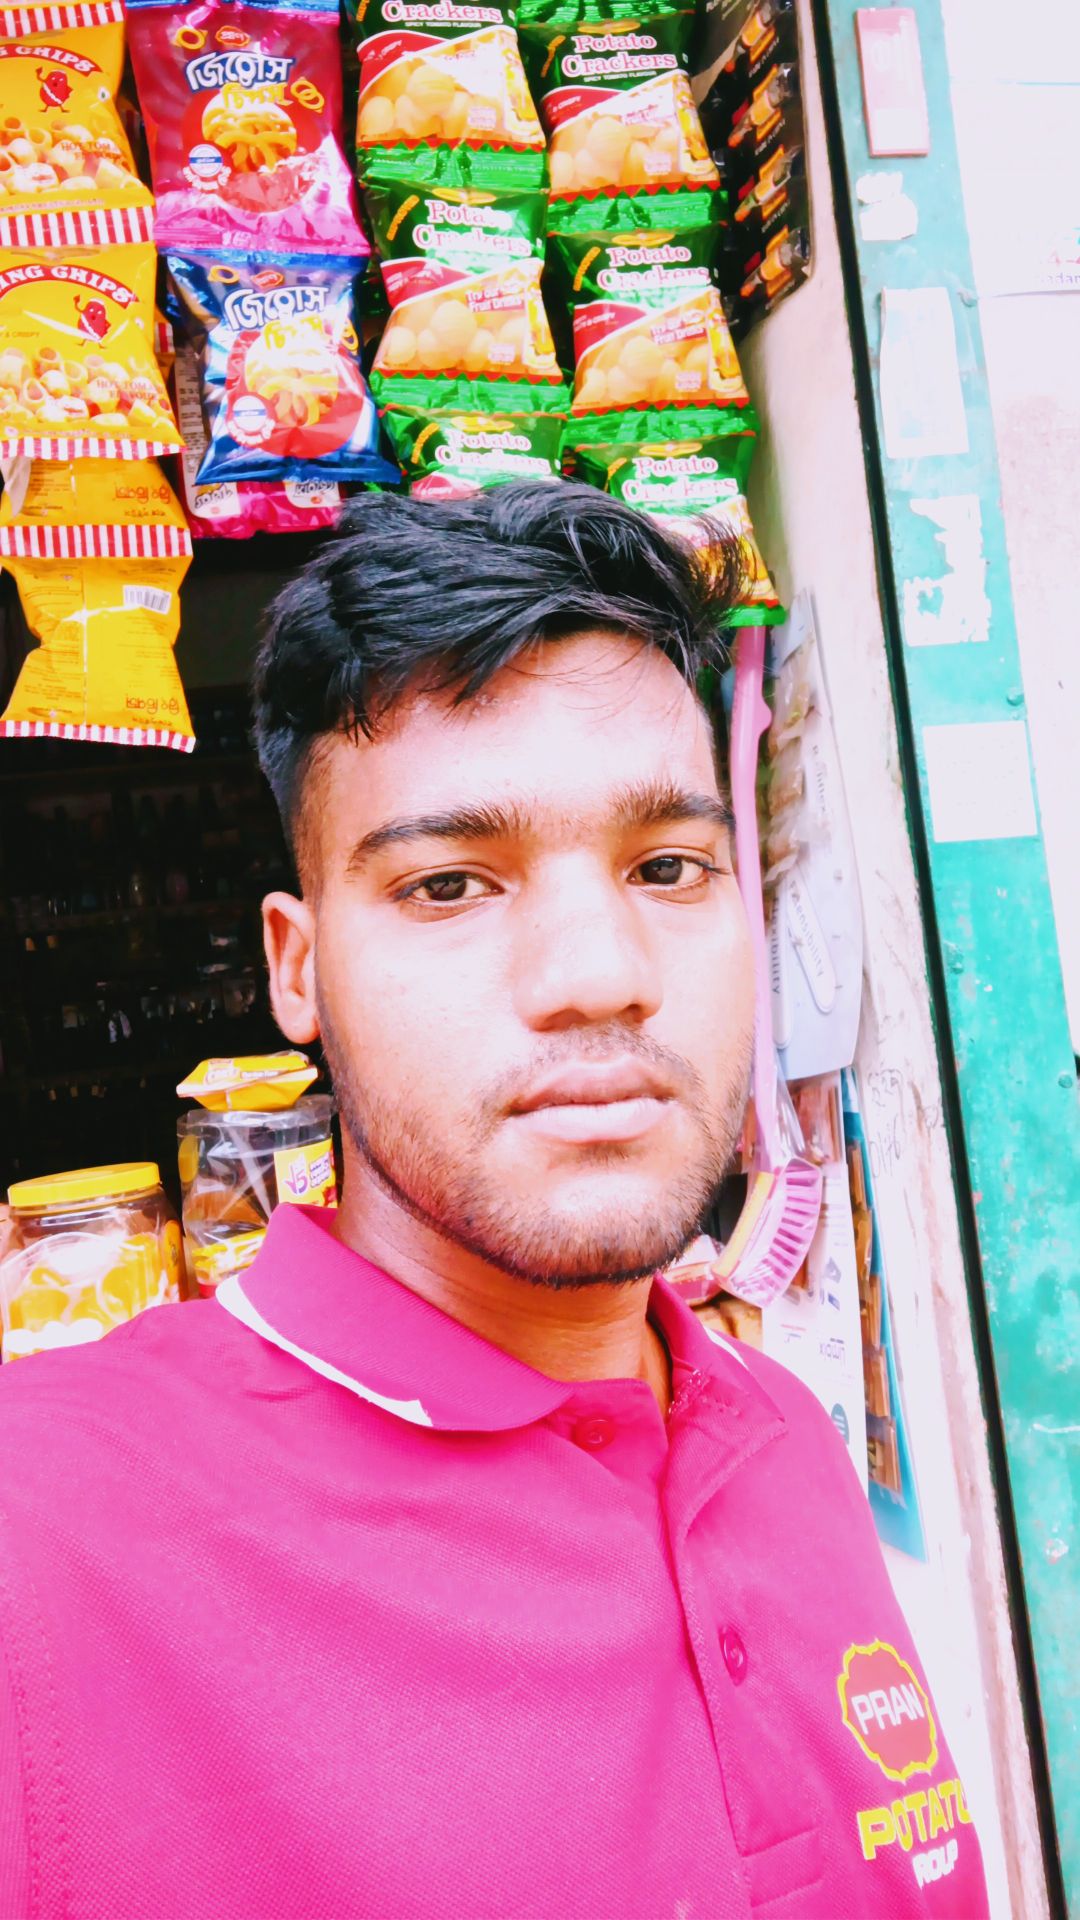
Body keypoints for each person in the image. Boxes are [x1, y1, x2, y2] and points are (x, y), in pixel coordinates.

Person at [0, 486, 989, 1919]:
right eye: (452, 884)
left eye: (668, 868)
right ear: (298, 969)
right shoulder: (50, 1531)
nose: (599, 975)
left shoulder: (782, 1441)